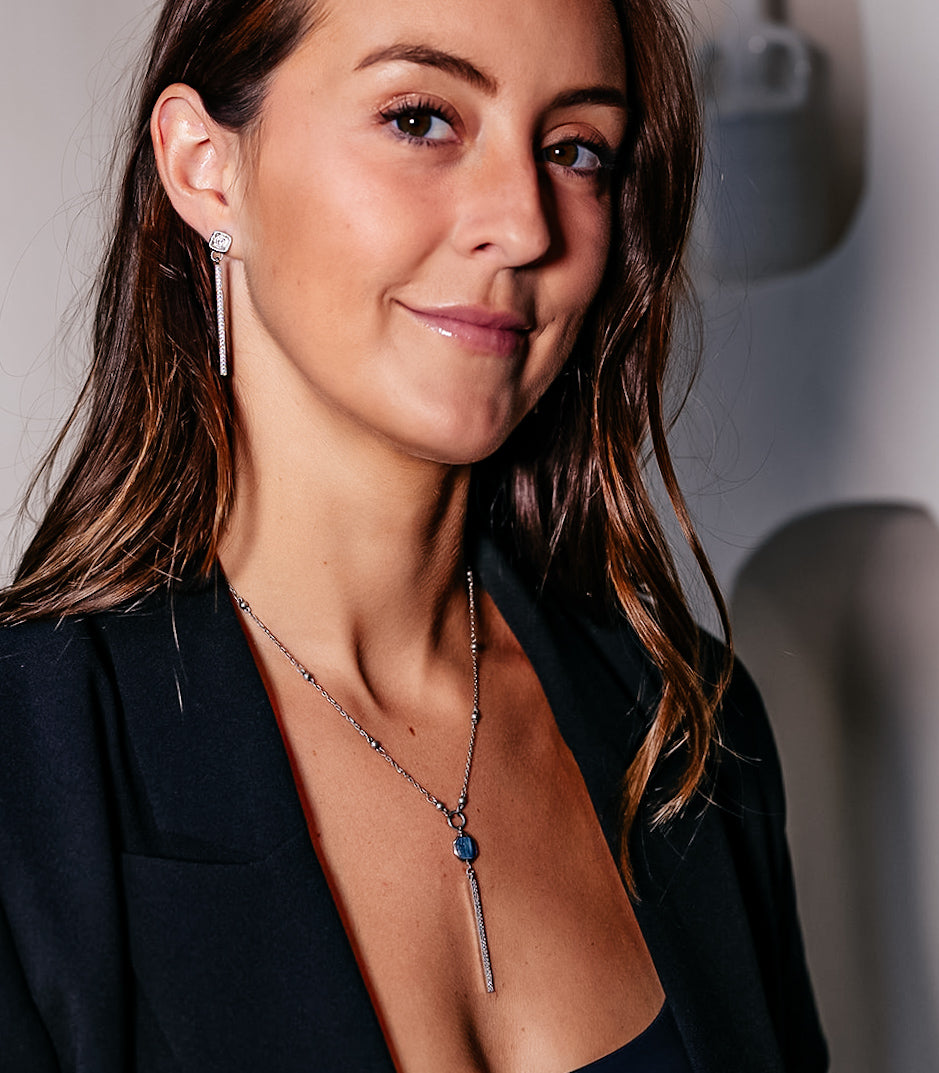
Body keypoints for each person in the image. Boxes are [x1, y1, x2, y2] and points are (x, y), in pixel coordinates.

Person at [0, 0, 827, 1070]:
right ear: (206, 167)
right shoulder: (33, 768)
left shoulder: (688, 726)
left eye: (576, 149)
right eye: (423, 119)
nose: (526, 223)